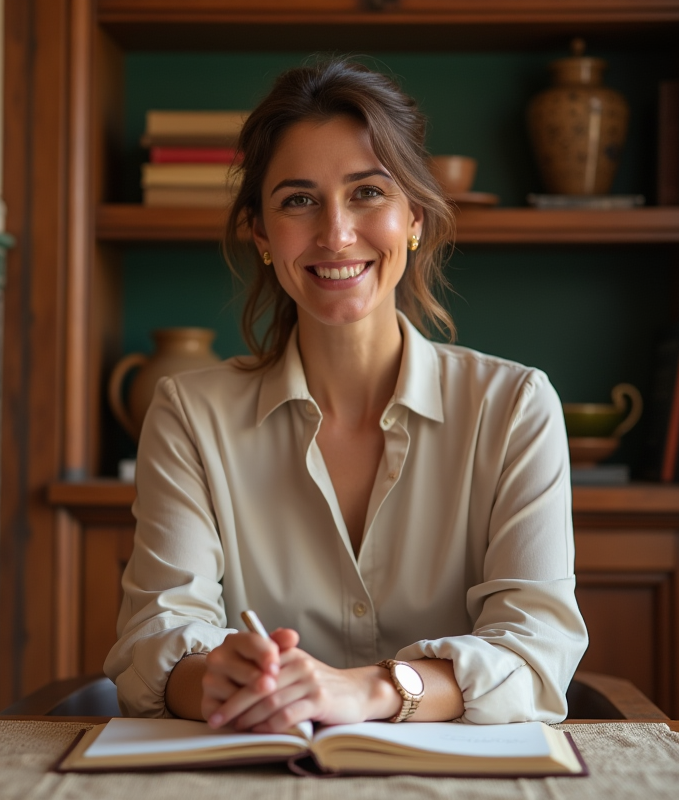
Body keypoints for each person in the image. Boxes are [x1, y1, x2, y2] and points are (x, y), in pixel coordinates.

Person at [104, 59, 588, 733]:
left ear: (414, 215)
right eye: (298, 200)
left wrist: (372, 691)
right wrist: (221, 679)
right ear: (261, 234)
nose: (335, 233)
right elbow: (152, 643)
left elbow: (537, 652)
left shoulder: (515, 408)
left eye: (368, 194)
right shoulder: (189, 414)